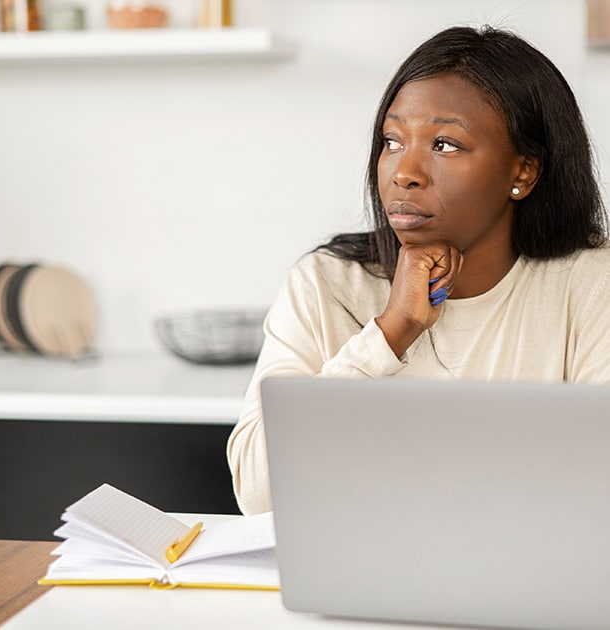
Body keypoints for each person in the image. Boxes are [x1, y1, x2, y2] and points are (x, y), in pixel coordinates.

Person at [227, 25, 610, 515]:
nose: (404, 171)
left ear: (523, 172)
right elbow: (258, 498)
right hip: (357, 583)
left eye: (445, 144)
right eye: (392, 140)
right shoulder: (325, 285)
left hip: (533, 585)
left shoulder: (590, 287)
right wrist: (389, 334)